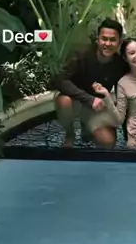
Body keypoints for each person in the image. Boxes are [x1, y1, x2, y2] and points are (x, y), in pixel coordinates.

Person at [53, 19, 128, 148]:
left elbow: (123, 98)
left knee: (108, 142)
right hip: (75, 100)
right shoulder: (81, 54)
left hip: (95, 108)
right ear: (98, 39)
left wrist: (129, 136)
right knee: (64, 101)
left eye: (112, 40)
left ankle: (87, 128)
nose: (108, 43)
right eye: (104, 39)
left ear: (119, 43)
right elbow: (59, 80)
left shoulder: (119, 65)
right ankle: (70, 133)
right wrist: (89, 99)